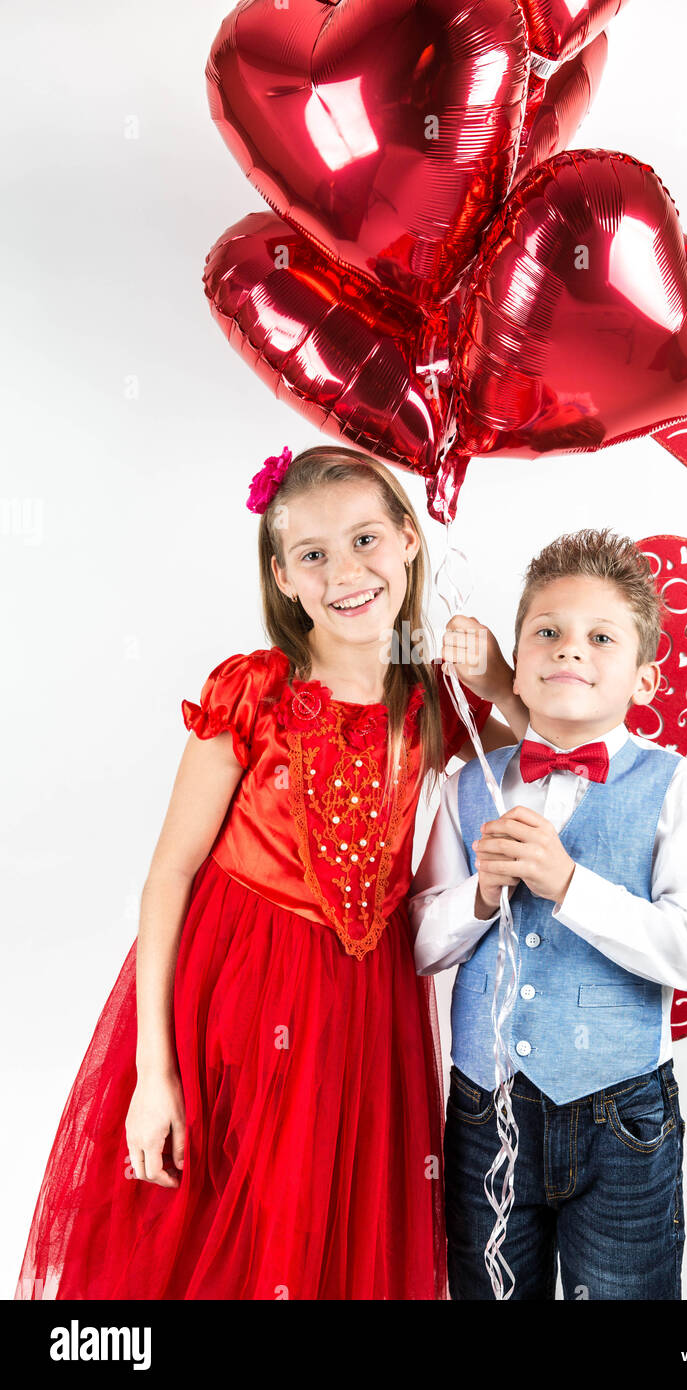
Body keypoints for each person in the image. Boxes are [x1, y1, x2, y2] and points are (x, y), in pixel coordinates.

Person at [14, 444, 528, 1301]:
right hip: (237, 1005)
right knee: (221, 1236)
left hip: (367, 1019)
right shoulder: (253, 692)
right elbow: (168, 876)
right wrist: (154, 1072)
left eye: (367, 540)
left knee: (334, 1236)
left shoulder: (434, 700)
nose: (346, 572)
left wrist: (500, 676)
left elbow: (537, 748)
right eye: (314, 555)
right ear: (284, 578)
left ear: (409, 538)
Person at [410, 527, 687, 1300]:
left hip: (624, 1120)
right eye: (547, 634)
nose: (570, 652)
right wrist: (481, 897)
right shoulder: (467, 786)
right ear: (515, 670)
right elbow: (420, 943)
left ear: (643, 680)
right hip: (486, 1114)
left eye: (600, 638)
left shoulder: (676, 789)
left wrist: (571, 888)